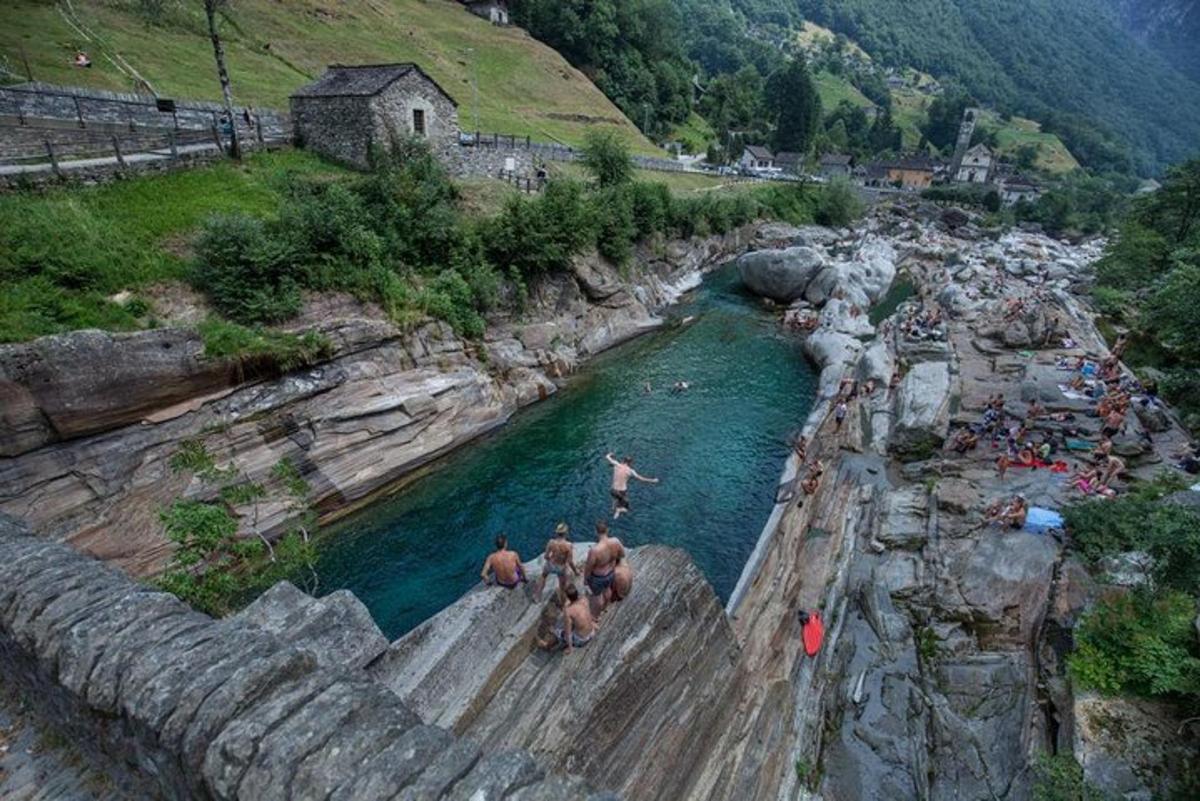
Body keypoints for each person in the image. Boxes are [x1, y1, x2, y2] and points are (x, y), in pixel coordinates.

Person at [584, 521, 625, 618]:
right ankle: (605, 607)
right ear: (607, 530)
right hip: (610, 573)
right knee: (607, 590)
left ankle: (596, 616)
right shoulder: (616, 541)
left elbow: (589, 566)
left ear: (596, 532)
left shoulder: (595, 550)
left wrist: (585, 579)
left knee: (597, 596)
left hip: (598, 577)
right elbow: (622, 554)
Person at [537, 584, 596, 652]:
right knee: (575, 622)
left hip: (581, 640)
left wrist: (570, 648)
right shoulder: (584, 600)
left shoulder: (569, 611)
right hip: (591, 633)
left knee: (557, 631)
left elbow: (568, 632)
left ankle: (547, 645)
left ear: (567, 597)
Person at [605, 452, 659, 519]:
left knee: (616, 498)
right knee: (627, 508)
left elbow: (607, 457)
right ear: (630, 463)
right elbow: (641, 479)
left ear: (623, 461)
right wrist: (653, 480)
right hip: (621, 492)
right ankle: (619, 510)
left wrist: (610, 454)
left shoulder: (616, 464)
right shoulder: (630, 471)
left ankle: (613, 509)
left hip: (613, 490)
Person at [534, 523, 578, 604]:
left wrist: (550, 559)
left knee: (543, 577)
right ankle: (563, 603)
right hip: (561, 567)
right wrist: (575, 571)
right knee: (562, 587)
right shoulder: (568, 545)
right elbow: (570, 561)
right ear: (566, 533)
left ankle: (537, 597)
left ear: (557, 533)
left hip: (551, 564)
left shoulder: (551, 542)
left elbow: (546, 556)